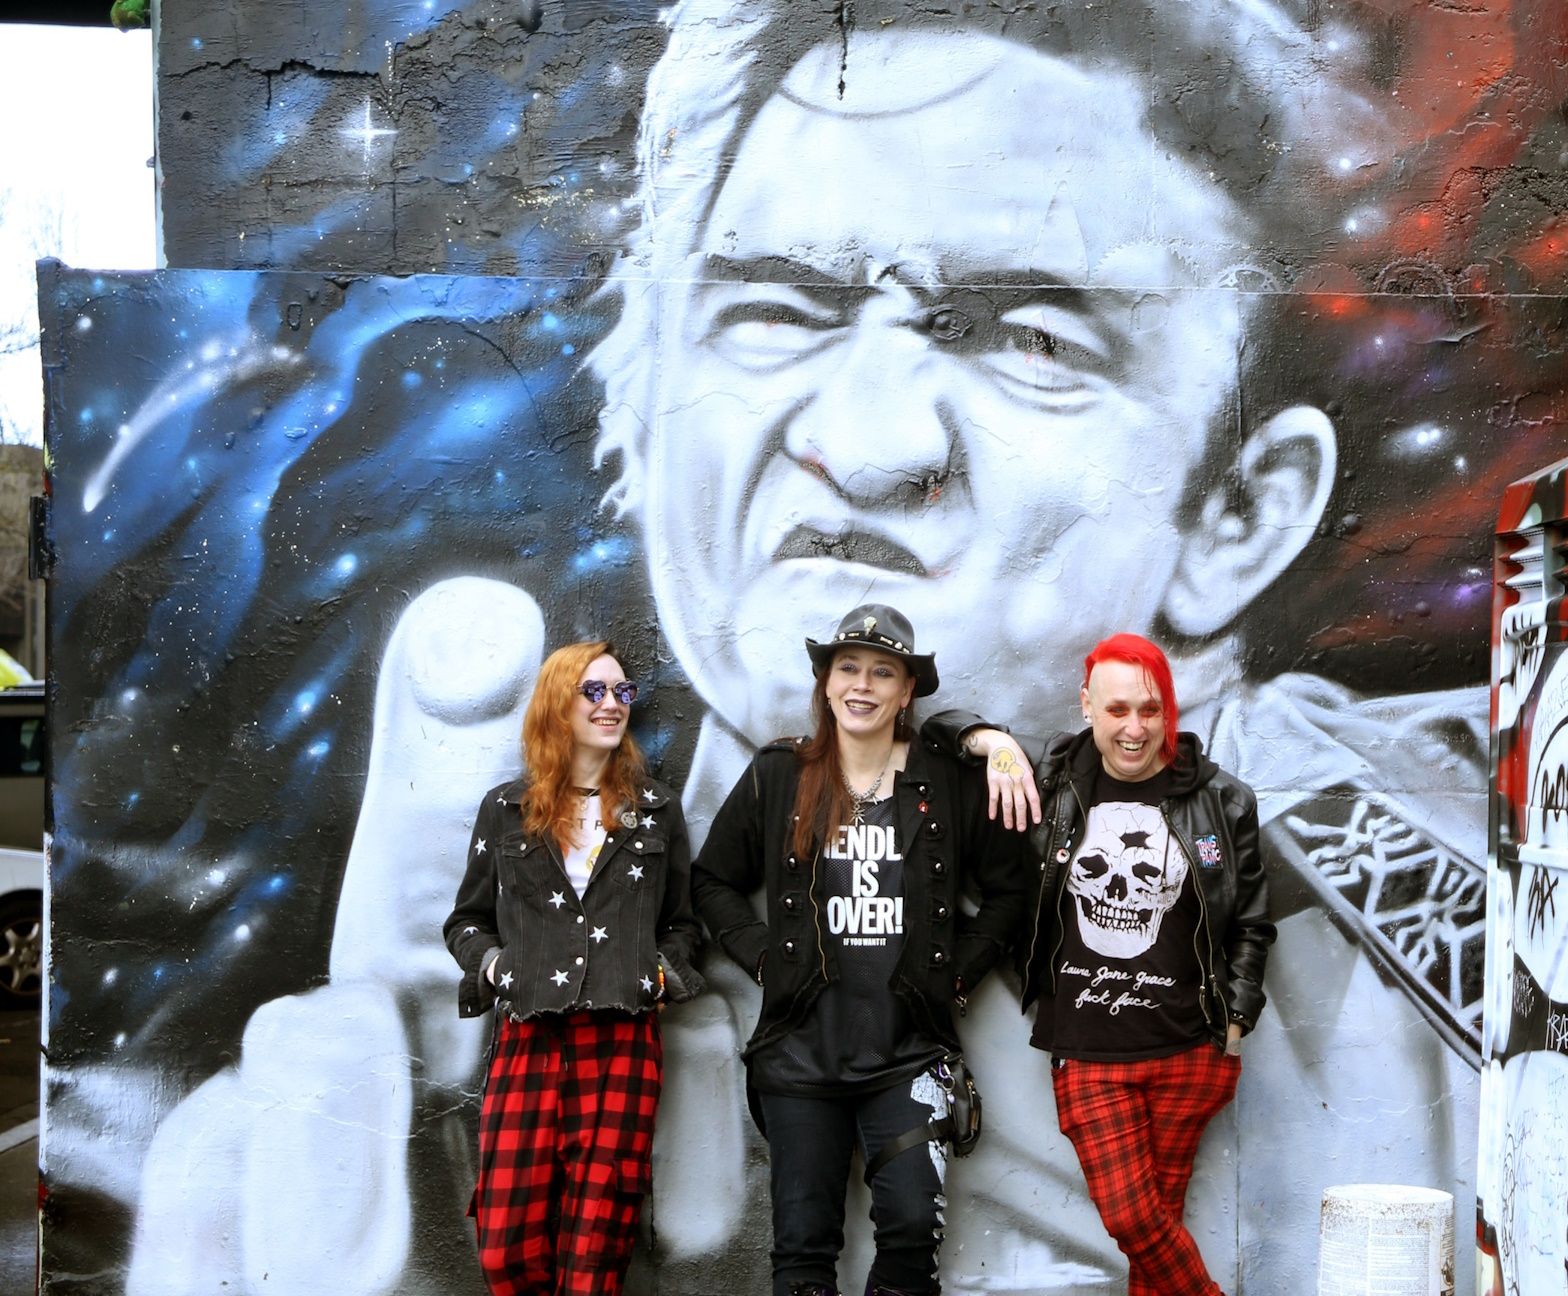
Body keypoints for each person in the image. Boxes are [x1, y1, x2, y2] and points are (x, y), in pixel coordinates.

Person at [121, 5, 1487, 1293]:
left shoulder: (1414, 957)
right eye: (776, 313)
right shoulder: (642, 902)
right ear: (647, 410)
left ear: (1239, 516)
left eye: (1029, 338)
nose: (869, 443)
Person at [692, 603, 1028, 1296]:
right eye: (848, 668)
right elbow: (712, 881)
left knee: (912, 1229)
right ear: (825, 682)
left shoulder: (946, 781)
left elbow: (1011, 891)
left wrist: (956, 975)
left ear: (907, 692)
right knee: (803, 1250)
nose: (862, 686)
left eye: (883, 672)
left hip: (910, 1053)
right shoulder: (780, 775)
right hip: (798, 1058)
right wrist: (765, 958)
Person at [931, 634, 1272, 1296]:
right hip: (1087, 1049)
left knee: (1157, 1237)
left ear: (1168, 710)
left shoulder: (1221, 801)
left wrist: (1235, 1020)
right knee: (1132, 1218)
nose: (1135, 728)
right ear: (1086, 704)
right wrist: (995, 743)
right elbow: (938, 729)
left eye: (1150, 709)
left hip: (1191, 1050)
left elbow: (1251, 923)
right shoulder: (1049, 782)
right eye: (1117, 710)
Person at [442, 640, 704, 1295]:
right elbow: (466, 921)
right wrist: (495, 968)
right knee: (504, 1247)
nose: (613, 703)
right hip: (528, 1038)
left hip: (622, 1043)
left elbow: (683, 925)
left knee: (596, 1250)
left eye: (622, 691)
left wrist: (661, 975)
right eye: (594, 691)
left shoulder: (656, 811)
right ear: (558, 704)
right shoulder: (506, 809)